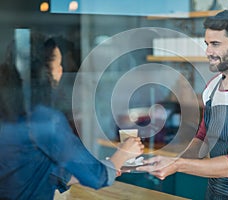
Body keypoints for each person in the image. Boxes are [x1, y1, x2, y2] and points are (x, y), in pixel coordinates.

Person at [137, 10, 228, 200]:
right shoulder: (213, 88)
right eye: (207, 44)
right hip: (215, 192)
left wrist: (179, 166)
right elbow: (203, 139)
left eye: (215, 44)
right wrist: (172, 159)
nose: (208, 52)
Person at [0, 38, 144, 200]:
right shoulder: (45, 121)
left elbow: (43, 173)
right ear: (43, 72)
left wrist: (111, 163)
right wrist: (123, 154)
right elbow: (97, 177)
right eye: (58, 65)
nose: (62, 71)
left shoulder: (11, 113)